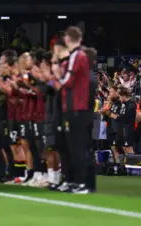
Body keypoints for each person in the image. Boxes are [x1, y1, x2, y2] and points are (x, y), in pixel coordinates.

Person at [53, 26, 92, 194]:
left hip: (77, 107)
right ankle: (71, 180)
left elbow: (67, 80)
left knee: (76, 147)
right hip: (70, 107)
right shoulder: (73, 57)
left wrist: (56, 75)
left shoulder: (78, 56)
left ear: (68, 39)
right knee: (69, 147)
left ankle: (81, 182)